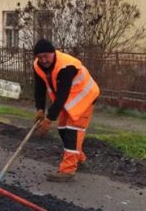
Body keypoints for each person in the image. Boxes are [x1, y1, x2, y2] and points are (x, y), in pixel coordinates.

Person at [32, 39, 100, 182]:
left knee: (72, 132)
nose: (43, 60)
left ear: (53, 52)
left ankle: (68, 171)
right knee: (63, 129)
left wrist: (49, 119)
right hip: (70, 99)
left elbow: (62, 96)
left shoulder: (66, 66)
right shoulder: (37, 66)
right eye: (39, 57)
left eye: (46, 56)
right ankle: (78, 159)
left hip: (84, 97)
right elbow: (39, 88)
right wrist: (40, 109)